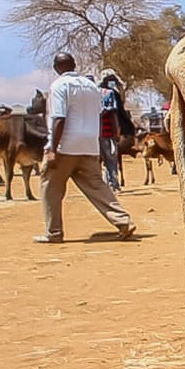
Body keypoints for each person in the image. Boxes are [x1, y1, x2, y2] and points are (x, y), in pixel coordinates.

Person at [37, 51, 135, 244]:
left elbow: (59, 118)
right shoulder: (91, 86)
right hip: (90, 145)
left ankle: (53, 232)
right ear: (74, 65)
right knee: (97, 186)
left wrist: (52, 149)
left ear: (56, 68)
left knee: (50, 188)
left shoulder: (59, 86)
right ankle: (123, 221)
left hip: (66, 145)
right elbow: (98, 113)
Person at [97, 70, 125, 189]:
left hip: (93, 131)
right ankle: (113, 183)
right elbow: (114, 114)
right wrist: (116, 132)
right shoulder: (110, 93)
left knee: (98, 159)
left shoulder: (93, 92)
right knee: (111, 158)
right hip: (107, 131)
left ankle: (102, 184)